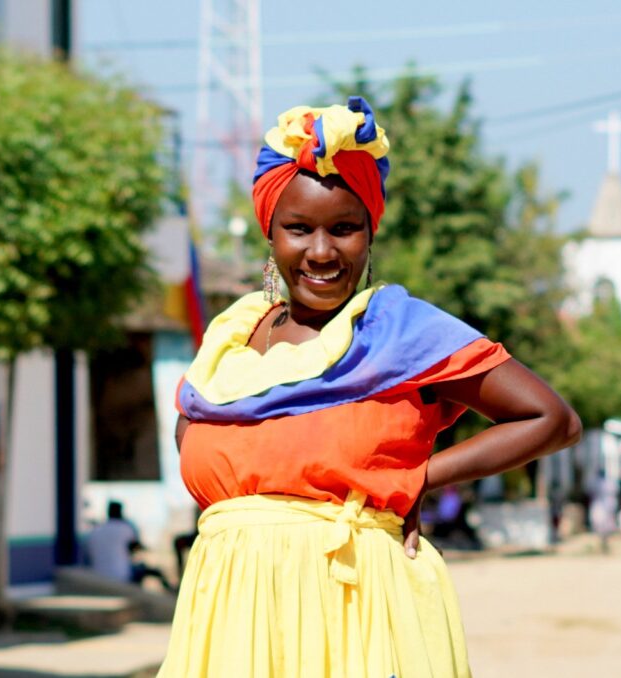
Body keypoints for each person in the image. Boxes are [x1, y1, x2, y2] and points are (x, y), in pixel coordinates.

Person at [156, 97, 581, 677]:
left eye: (345, 229)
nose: (322, 251)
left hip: (356, 610)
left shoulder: (400, 330)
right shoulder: (232, 337)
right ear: (270, 234)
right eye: (299, 229)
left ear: (370, 232)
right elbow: (197, 440)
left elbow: (550, 418)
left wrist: (419, 479)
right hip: (231, 612)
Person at [86, 501, 174, 591]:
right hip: (122, 575)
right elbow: (136, 548)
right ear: (120, 512)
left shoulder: (96, 530)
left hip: (98, 576)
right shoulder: (125, 528)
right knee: (153, 571)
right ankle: (170, 592)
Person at [589, 471, 618, 555]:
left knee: (607, 525)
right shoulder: (596, 482)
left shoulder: (610, 483)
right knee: (598, 523)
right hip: (600, 506)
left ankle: (605, 542)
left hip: (607, 506)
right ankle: (602, 542)